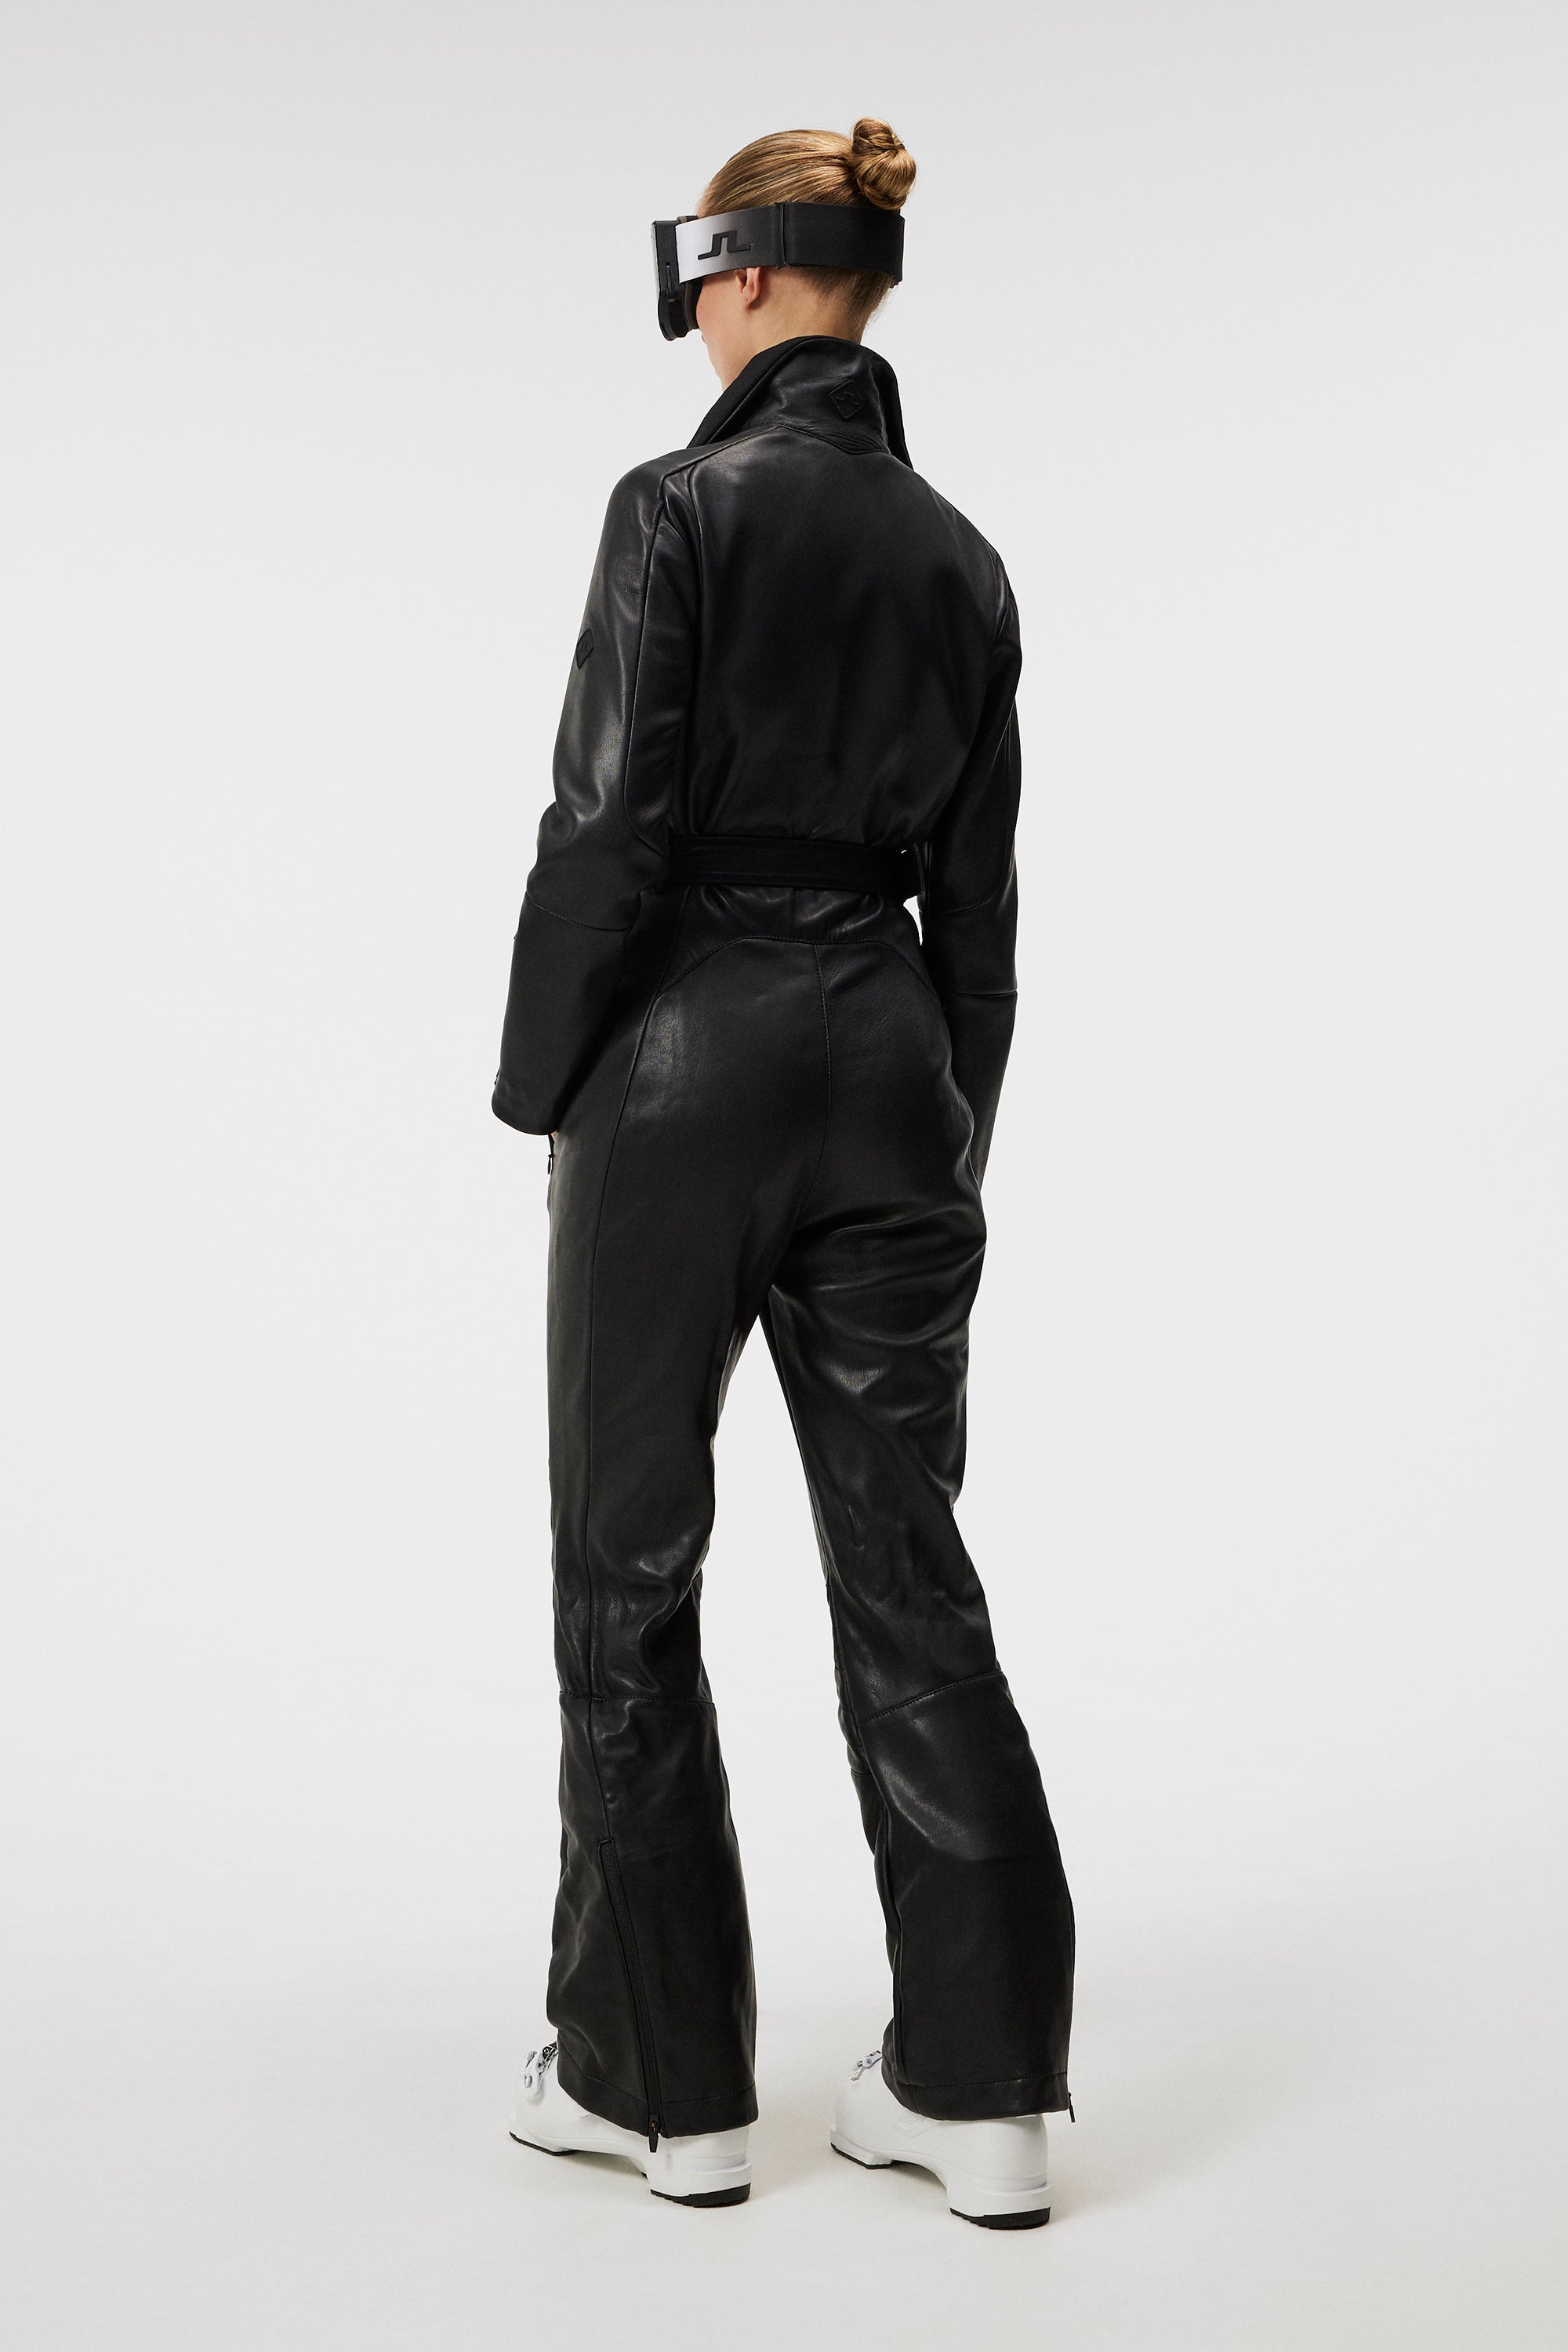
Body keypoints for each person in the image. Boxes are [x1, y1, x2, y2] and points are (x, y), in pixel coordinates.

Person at [492, 119, 1074, 2228]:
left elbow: (605, 830)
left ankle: (664, 2093)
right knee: (912, 1571)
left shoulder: (675, 508)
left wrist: (545, 1088)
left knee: (628, 1575)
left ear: (733, 275)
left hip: (685, 1057)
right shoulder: (964, 559)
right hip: (896, 1057)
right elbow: (983, 912)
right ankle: (985, 2095)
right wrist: (949, 1134)